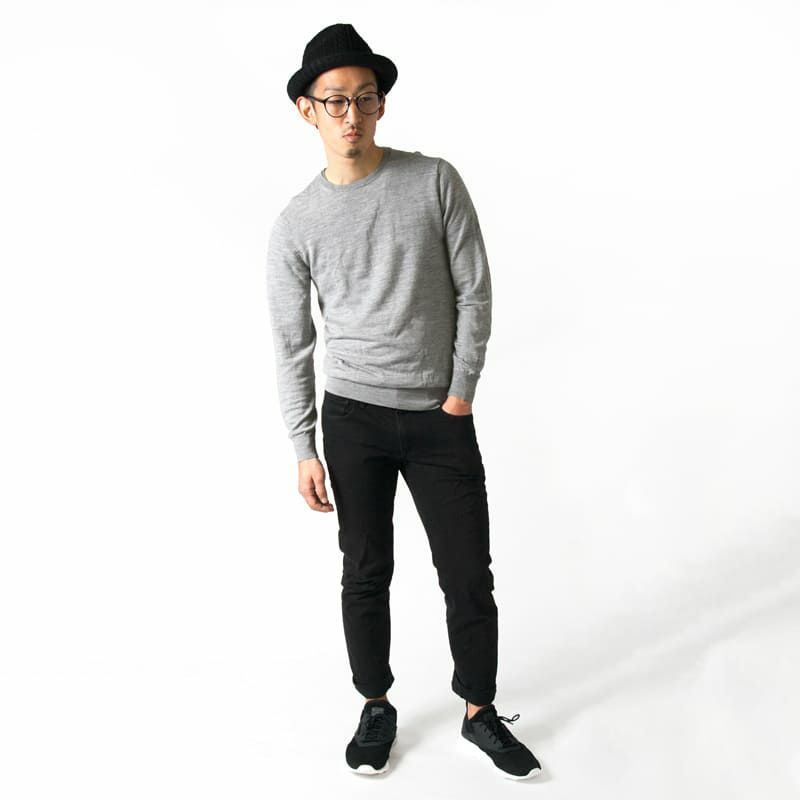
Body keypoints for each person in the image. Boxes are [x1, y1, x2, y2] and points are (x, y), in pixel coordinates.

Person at [266, 22, 542, 781]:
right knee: (365, 570)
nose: (350, 114)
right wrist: (303, 445)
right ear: (307, 110)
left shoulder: (434, 181)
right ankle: (376, 704)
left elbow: (475, 291)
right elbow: (292, 341)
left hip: (437, 416)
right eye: (334, 100)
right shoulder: (296, 223)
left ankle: (479, 712)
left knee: (468, 574)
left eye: (364, 98)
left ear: (381, 105)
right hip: (351, 418)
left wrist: (459, 395)